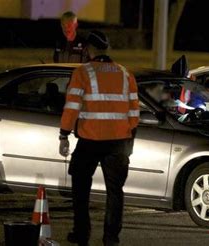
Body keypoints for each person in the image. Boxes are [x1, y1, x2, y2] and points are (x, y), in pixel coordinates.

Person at [58, 30, 139, 246]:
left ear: (88, 49)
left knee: (80, 189)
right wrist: (129, 138)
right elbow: (134, 112)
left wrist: (64, 134)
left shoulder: (83, 72)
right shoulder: (125, 73)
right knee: (115, 192)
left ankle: (82, 234)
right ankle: (111, 239)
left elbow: (72, 107)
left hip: (90, 141)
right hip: (119, 142)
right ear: (107, 49)